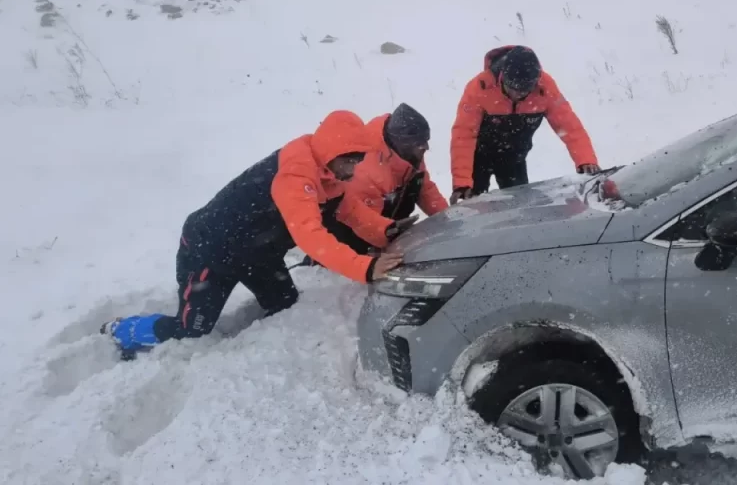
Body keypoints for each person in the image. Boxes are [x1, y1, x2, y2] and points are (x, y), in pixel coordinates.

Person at [101, 110, 404, 356]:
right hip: (211, 251)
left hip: (257, 254)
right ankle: (123, 331)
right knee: (191, 331)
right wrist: (366, 268)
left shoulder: (331, 173)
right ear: (332, 151)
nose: (353, 170)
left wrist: (386, 230)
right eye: (349, 161)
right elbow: (310, 236)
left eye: (357, 162)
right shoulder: (296, 173)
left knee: (284, 302)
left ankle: (248, 343)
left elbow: (351, 211)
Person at [448, 45, 601, 205]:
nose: (517, 95)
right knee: (472, 206)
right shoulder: (480, 87)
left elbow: (570, 127)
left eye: (524, 90)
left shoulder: (545, 87)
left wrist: (586, 160)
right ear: (502, 77)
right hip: (477, 158)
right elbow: (463, 135)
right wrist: (462, 182)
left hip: (514, 159)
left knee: (522, 207)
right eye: (512, 88)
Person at [301, 103, 448, 262]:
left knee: (415, 182)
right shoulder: (368, 167)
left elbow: (426, 190)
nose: (426, 146)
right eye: (420, 143)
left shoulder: (410, 156)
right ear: (403, 144)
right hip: (352, 232)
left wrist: (448, 219)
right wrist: (385, 248)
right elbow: (363, 221)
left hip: (382, 219)